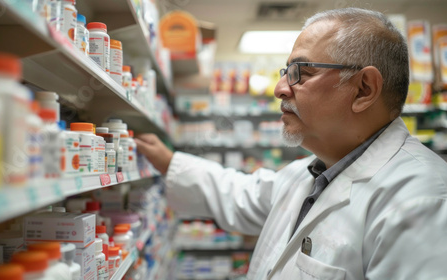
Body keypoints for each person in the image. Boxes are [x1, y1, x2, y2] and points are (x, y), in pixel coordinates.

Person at [135, 7, 447, 280]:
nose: (280, 89)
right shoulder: (309, 174)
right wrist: (167, 160)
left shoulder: (422, 201)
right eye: (286, 72)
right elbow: (239, 194)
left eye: (301, 72)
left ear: (363, 90)